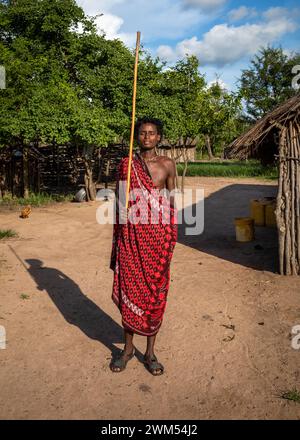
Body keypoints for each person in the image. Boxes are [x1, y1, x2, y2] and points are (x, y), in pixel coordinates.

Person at [109, 117, 177, 375]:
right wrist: (121, 212)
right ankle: (127, 350)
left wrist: (170, 236)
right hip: (131, 238)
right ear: (136, 137)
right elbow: (120, 198)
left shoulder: (168, 165)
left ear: (159, 137)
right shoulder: (127, 165)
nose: (147, 137)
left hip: (157, 239)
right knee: (130, 292)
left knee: (154, 294)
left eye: (152, 133)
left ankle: (149, 353)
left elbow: (171, 203)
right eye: (142, 133)